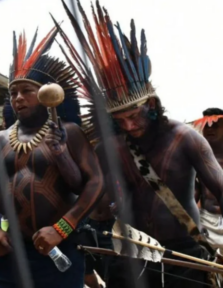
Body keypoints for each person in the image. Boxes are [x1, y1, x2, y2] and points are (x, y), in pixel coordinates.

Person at [56, 1, 223, 287]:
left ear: (152, 104)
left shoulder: (185, 138)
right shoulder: (111, 148)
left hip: (183, 253)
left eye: (134, 116)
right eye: (120, 120)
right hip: (131, 253)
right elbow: (90, 194)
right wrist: (62, 157)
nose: (129, 126)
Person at [0, 27, 104, 288]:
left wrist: (62, 228)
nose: (18, 98)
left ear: (45, 95)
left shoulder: (69, 132)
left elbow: (95, 182)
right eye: (13, 93)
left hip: (58, 249)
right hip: (9, 251)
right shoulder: (0, 139)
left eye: (27, 91)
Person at [193, 108, 223, 251]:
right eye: (206, 125)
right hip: (207, 221)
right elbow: (193, 193)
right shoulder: (197, 158)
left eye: (215, 125)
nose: (210, 129)